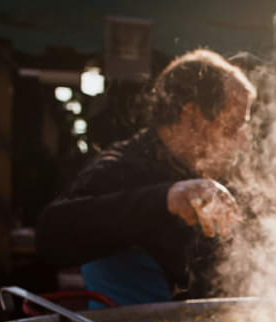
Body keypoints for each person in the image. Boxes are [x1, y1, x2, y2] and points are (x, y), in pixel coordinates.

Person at [36, 49, 255, 305]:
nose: (243, 141)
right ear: (192, 116)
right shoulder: (122, 167)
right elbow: (51, 235)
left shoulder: (203, 173)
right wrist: (166, 199)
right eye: (233, 126)